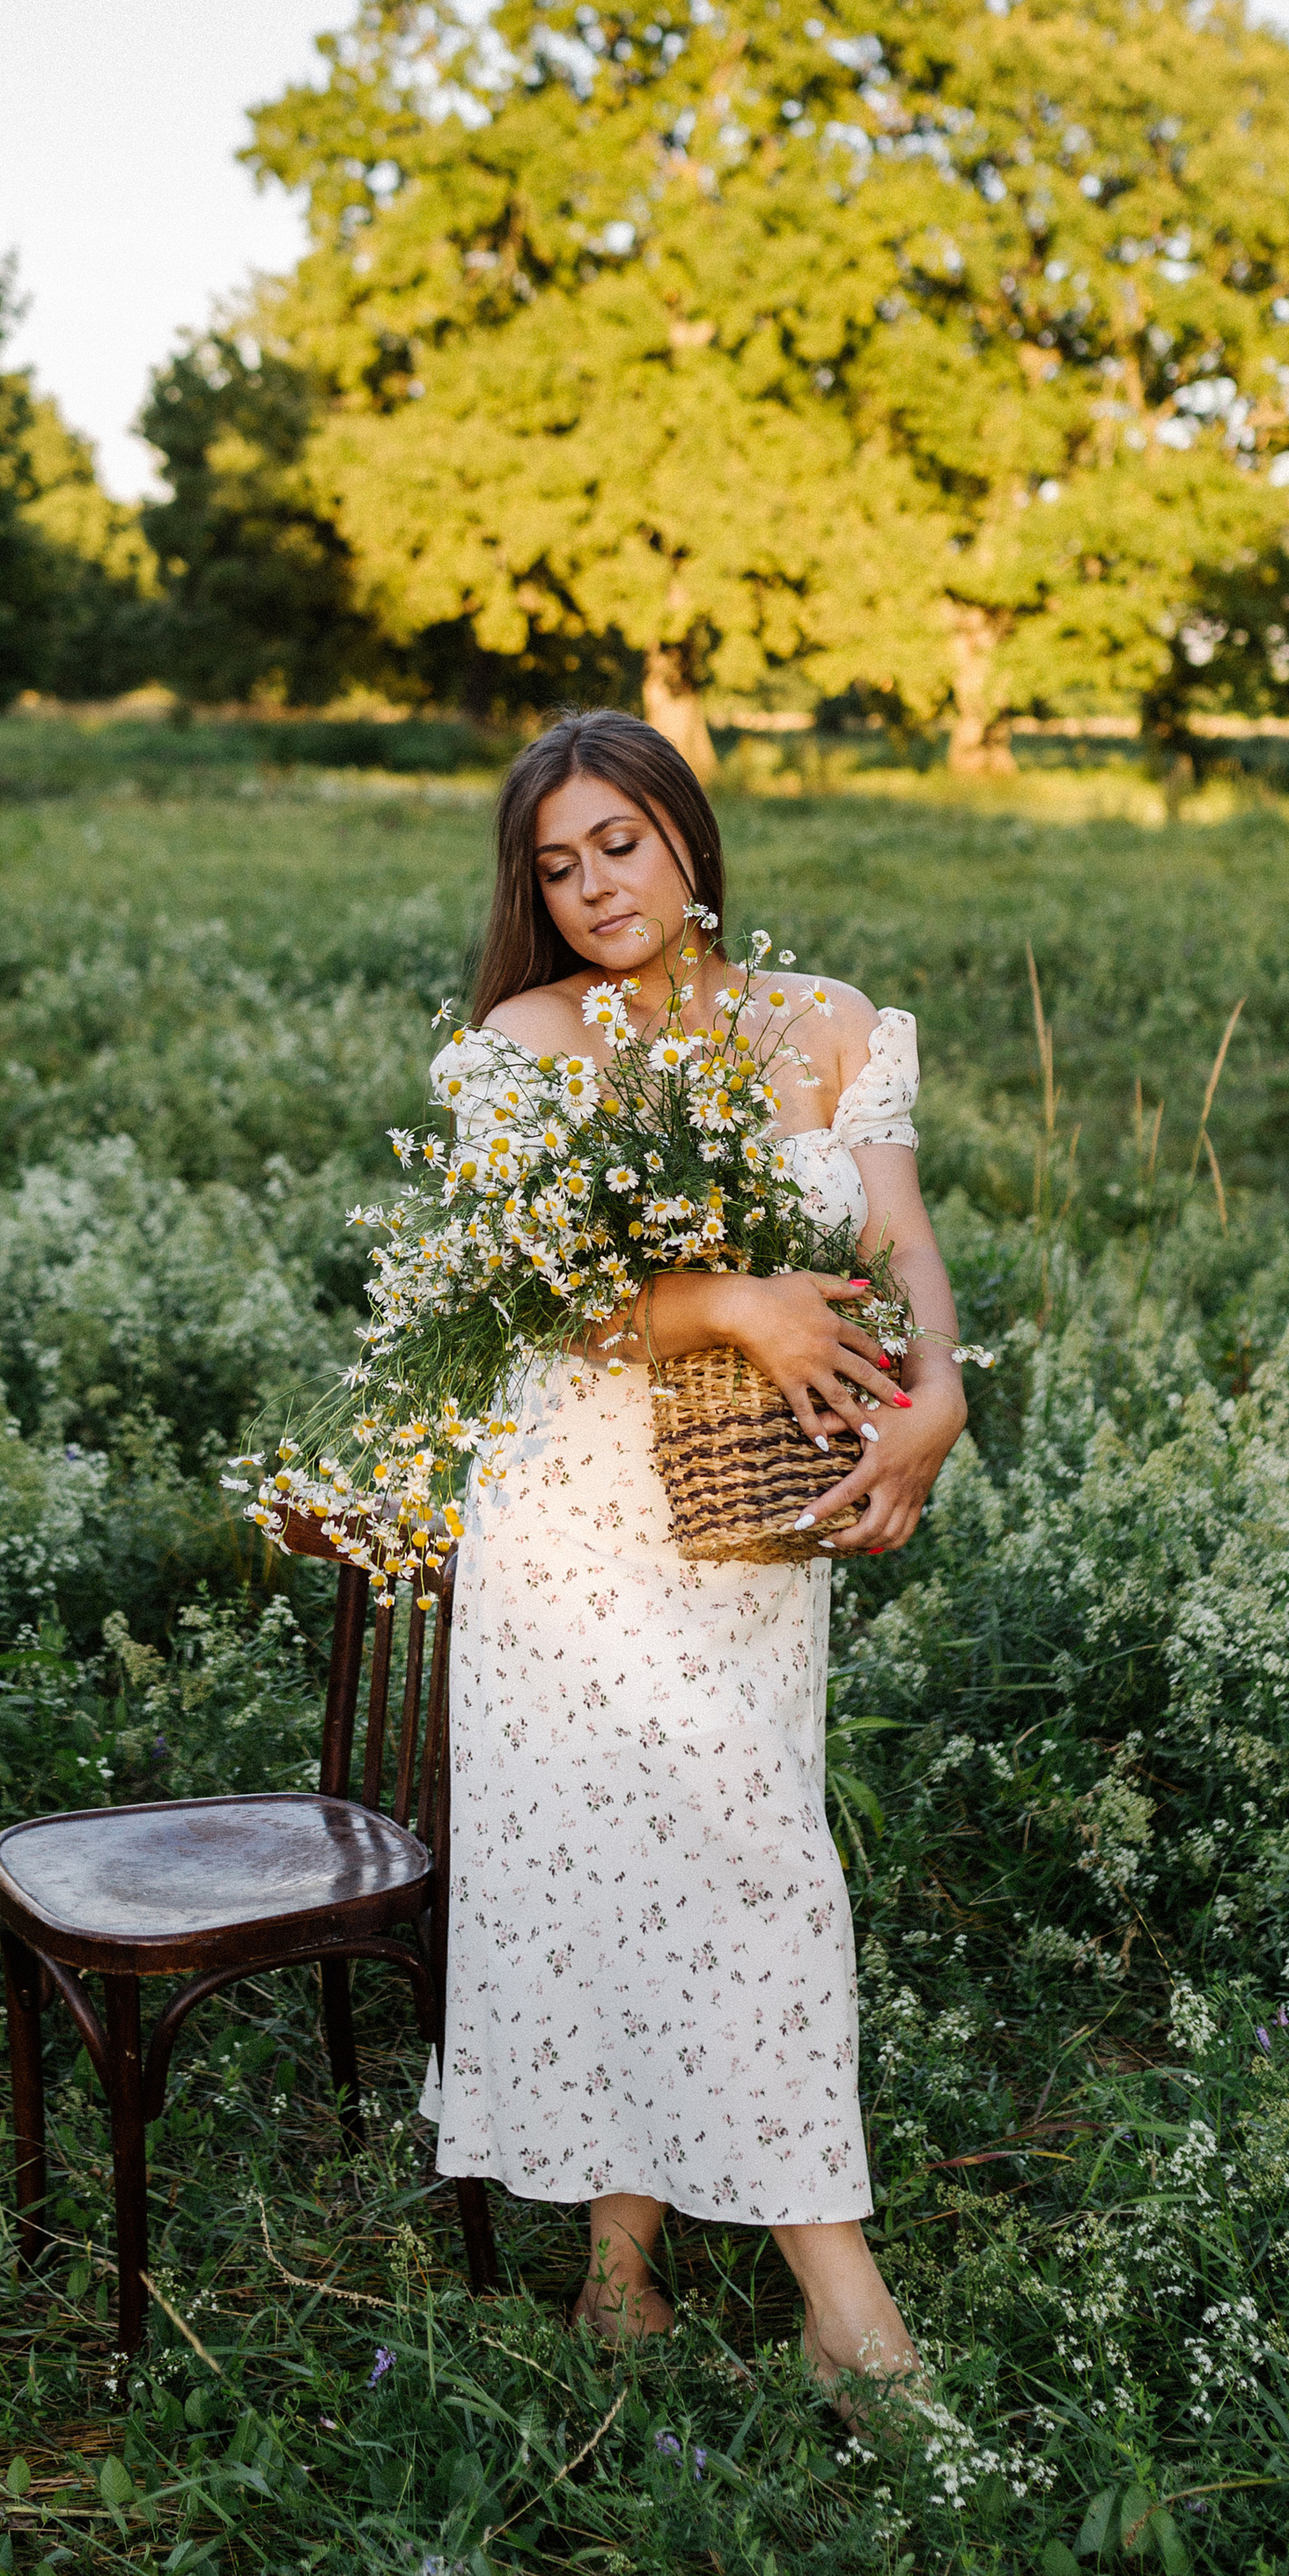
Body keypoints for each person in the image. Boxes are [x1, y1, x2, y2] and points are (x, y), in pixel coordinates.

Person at [419, 709, 969, 2390]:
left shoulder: (829, 1024)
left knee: (735, 1854)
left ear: (689, 837)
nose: (594, 887)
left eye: (621, 843)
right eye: (557, 863)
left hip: (746, 1516)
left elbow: (898, 1232)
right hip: (573, 1520)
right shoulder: (522, 1040)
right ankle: (822, 2306)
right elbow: (526, 1295)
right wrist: (725, 1296)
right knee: (618, 1863)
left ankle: (634, 2271)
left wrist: (936, 1404)